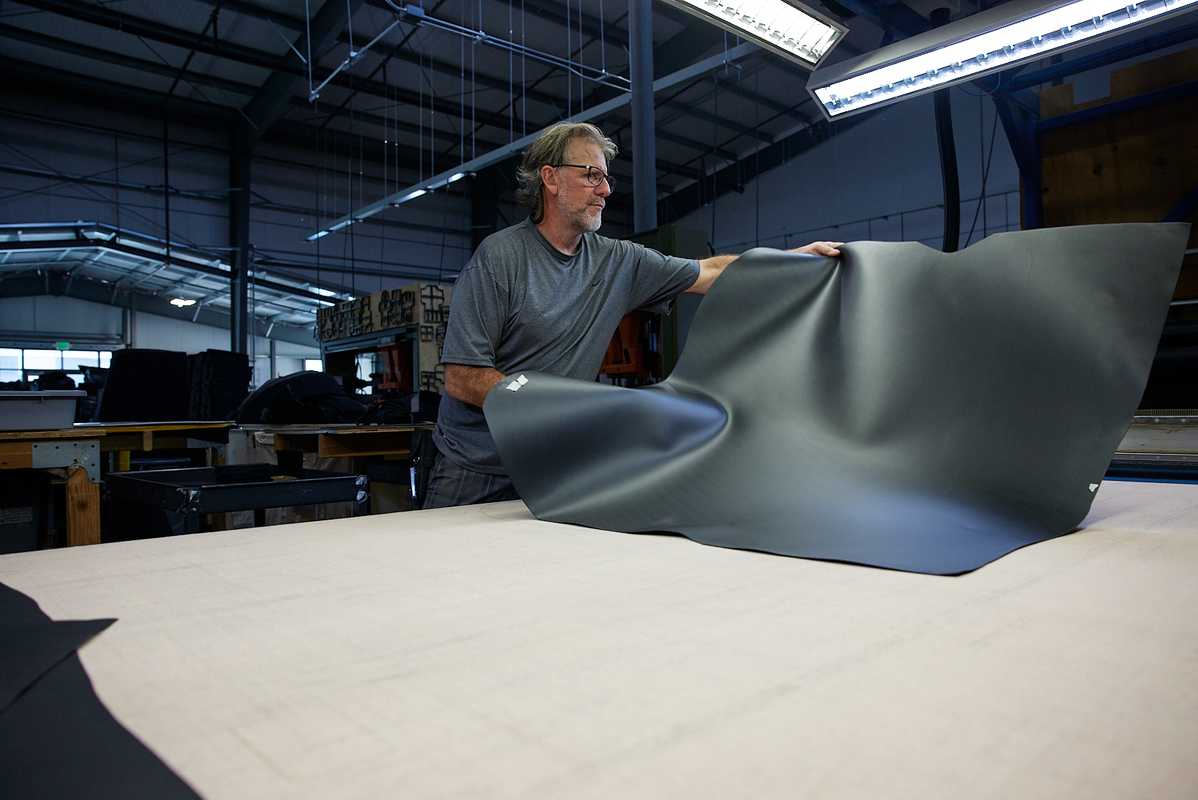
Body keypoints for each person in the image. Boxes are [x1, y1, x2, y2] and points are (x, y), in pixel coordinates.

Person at [422, 121, 841, 509]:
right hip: (475, 467)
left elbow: (710, 272)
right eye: (591, 175)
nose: (604, 190)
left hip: (550, 464)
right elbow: (462, 376)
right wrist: (542, 405)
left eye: (606, 178)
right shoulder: (500, 258)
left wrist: (790, 260)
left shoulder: (618, 261)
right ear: (550, 179)